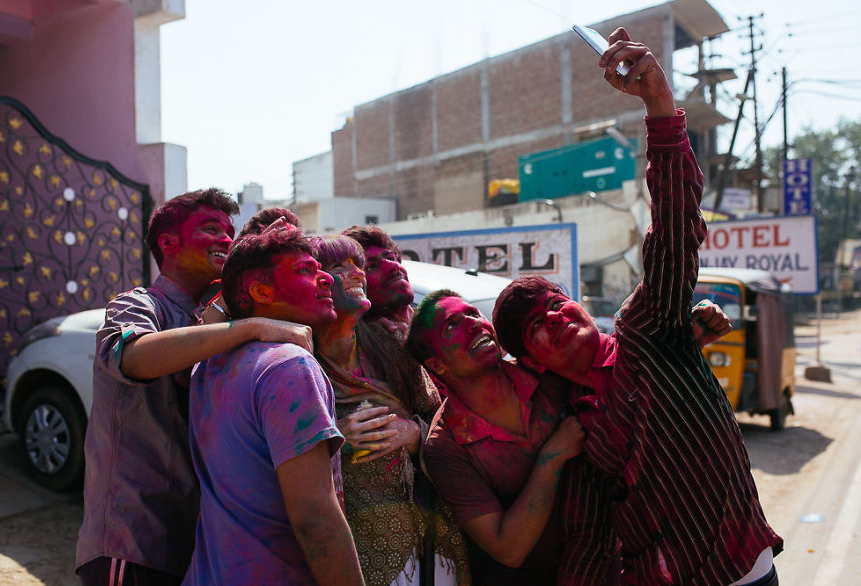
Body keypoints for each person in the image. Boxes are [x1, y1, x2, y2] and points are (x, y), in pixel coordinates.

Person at [492, 29, 782, 585]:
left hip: (741, 568)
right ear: (531, 362)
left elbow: (673, 232)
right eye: (535, 326)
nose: (554, 316)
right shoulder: (570, 421)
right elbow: (589, 533)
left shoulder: (646, 328)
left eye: (556, 303)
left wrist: (658, 105)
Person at [76, 189, 310, 585]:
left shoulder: (215, 315)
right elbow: (132, 357)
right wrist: (248, 327)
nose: (225, 239)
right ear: (168, 242)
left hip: (197, 547)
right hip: (132, 544)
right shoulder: (138, 305)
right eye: (210, 228)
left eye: (230, 232)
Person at [183, 228, 363, 585]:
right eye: (304, 270)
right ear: (261, 292)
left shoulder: (208, 364)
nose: (326, 277)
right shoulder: (289, 365)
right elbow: (315, 519)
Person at [406, 289, 617, 585]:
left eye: (472, 313)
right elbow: (508, 549)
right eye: (452, 325)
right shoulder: (446, 447)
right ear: (437, 365)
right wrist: (550, 459)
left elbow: (612, 359)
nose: (473, 323)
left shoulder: (547, 372)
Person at [313, 235, 469, 586]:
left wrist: (413, 433)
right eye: (340, 267)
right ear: (315, 283)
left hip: (429, 541)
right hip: (356, 547)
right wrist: (335, 439)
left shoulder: (392, 347)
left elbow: (444, 423)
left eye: (359, 266)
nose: (357, 274)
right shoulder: (298, 362)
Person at [342, 225, 414, 340]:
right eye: (372, 266)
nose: (393, 266)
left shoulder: (432, 325)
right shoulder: (355, 345)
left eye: (391, 258)